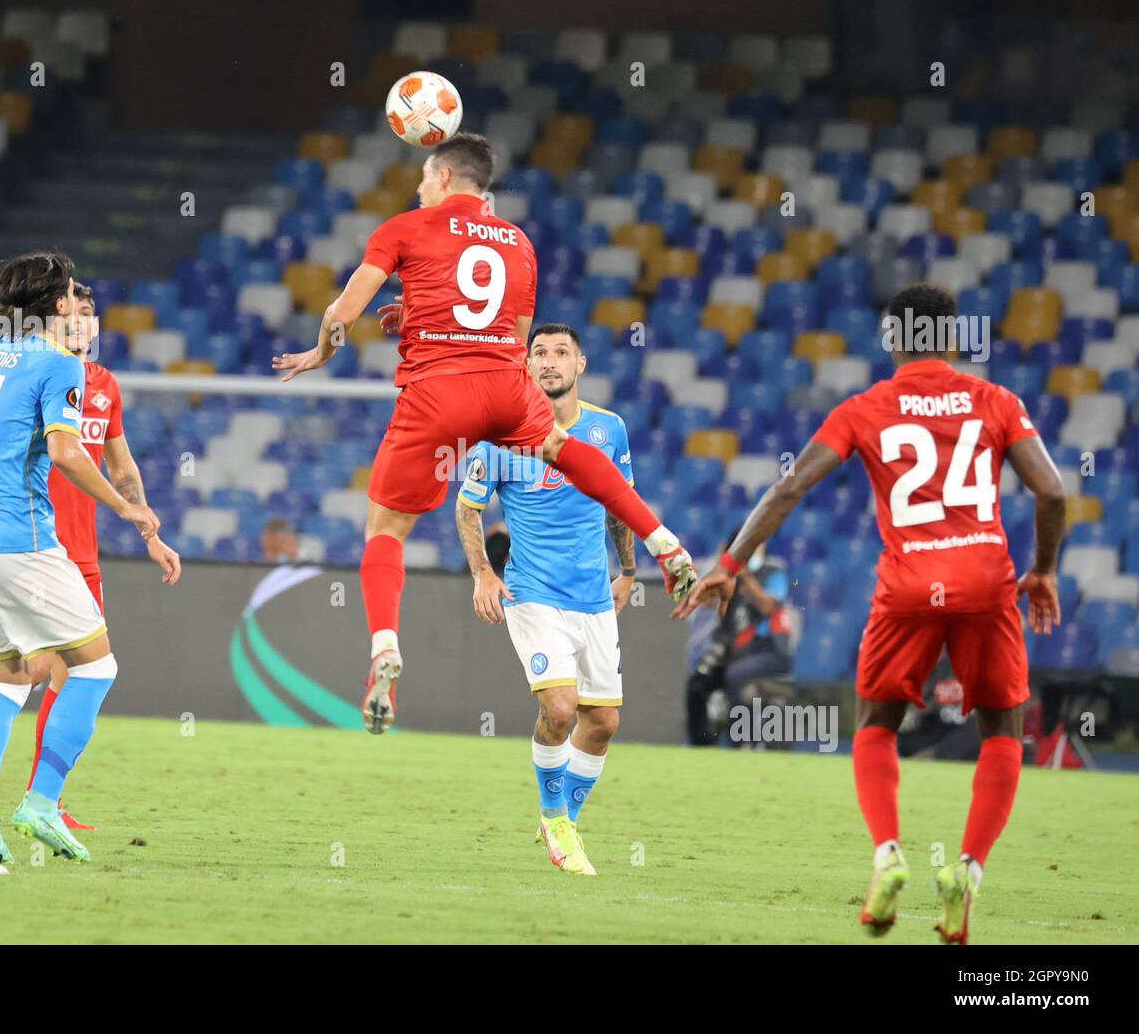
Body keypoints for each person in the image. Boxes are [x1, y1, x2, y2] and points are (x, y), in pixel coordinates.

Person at [674, 283, 1066, 945]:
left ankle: (887, 854)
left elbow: (789, 484)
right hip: (985, 581)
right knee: (1002, 730)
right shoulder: (997, 401)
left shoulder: (867, 406)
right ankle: (966, 872)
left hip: (908, 585)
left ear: (892, 341)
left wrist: (729, 565)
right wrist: (1045, 569)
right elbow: (1052, 490)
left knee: (876, 725)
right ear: (954, 337)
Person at [274, 133, 695, 734]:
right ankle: (666, 544)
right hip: (504, 387)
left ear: (444, 177)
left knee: (385, 529)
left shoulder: (405, 227)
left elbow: (341, 316)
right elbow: (513, 334)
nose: (419, 187)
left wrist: (320, 351)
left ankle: (385, 647)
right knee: (566, 452)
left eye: (423, 176)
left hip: (437, 395)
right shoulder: (519, 243)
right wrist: (421, 316)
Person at [0, 251, 160, 864]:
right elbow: (64, 452)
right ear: (59, 304)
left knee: (8, 680)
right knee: (93, 668)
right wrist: (127, 509)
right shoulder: (60, 364)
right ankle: (41, 803)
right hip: (20, 546)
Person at [455, 323, 637, 875]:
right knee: (560, 708)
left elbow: (620, 503)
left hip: (593, 598)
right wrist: (484, 574)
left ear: (580, 364)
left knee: (602, 721)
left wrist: (628, 570)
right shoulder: (498, 436)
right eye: (539, 352)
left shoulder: (609, 430)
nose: (550, 361)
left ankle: (565, 823)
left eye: (561, 352)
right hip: (531, 594)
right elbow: (468, 508)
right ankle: (554, 817)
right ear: (526, 365)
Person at [684, 531, 792, 746]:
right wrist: (719, 570)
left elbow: (768, 605)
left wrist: (744, 576)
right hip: (733, 651)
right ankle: (701, 745)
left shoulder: (774, 572)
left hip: (767, 650)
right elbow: (702, 601)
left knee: (736, 676)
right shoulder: (728, 577)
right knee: (697, 684)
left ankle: (742, 744)